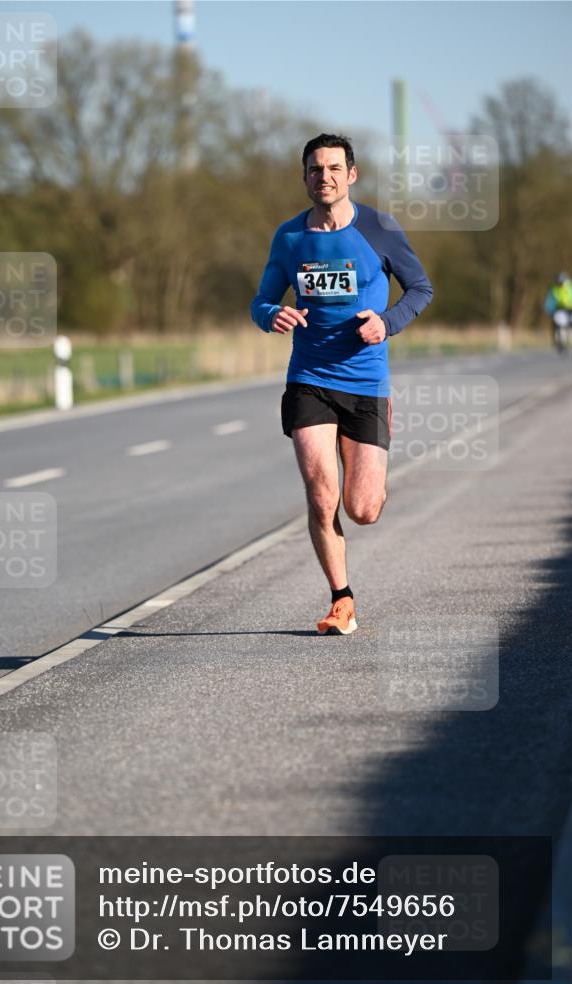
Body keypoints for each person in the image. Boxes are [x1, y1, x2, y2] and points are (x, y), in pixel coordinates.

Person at [251, 133, 433, 635]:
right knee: (320, 493)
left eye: (334, 168)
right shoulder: (290, 238)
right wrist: (273, 315)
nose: (324, 176)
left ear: (351, 174)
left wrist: (388, 323)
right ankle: (341, 599)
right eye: (315, 169)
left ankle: (373, 487)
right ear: (305, 177)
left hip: (366, 382)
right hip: (308, 378)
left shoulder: (378, 228)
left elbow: (421, 287)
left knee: (362, 508)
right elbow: (260, 300)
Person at [544, 272, 572, 351]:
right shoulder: (554, 288)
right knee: (559, 325)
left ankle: (566, 341)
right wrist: (548, 309)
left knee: (569, 325)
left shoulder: (570, 287)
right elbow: (549, 299)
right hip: (559, 309)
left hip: (570, 309)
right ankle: (561, 343)